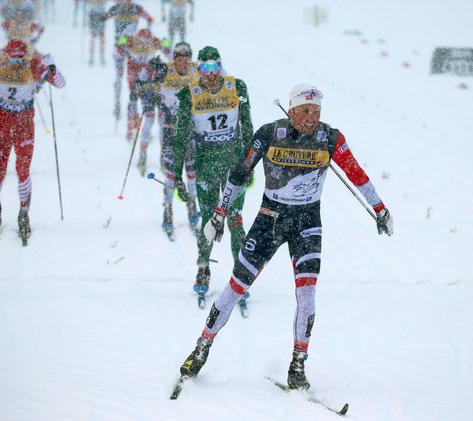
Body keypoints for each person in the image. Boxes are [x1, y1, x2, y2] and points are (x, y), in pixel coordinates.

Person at [177, 84, 394, 389]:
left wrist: (380, 210)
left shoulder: (330, 138)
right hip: (271, 219)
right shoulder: (269, 134)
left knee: (307, 293)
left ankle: (297, 366)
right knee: (236, 287)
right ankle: (201, 349)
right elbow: (240, 173)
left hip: (307, 223)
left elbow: (356, 173)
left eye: (316, 112)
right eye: (304, 111)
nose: (310, 118)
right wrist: (219, 213)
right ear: (291, 111)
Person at [0, 39, 66, 245]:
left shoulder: (33, 65)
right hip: (3, 125)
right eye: (12, 61)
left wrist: (52, 68)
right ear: (5, 56)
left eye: (20, 61)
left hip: (23, 126)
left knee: (23, 169)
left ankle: (23, 213)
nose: (16, 65)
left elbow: (61, 84)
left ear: (25, 57)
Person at [172, 46, 253, 303]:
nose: (210, 74)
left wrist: (250, 164)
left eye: (214, 67)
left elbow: (248, 126)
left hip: (234, 164)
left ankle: (239, 277)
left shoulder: (237, 87)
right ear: (198, 69)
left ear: (221, 66)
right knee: (209, 218)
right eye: (204, 69)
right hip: (207, 165)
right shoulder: (189, 94)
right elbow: (180, 137)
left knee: (235, 218)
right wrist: (176, 175)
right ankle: (203, 268)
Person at [157, 41, 199, 240]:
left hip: (190, 131)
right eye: (179, 58)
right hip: (170, 130)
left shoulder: (197, 70)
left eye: (186, 58)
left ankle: (192, 206)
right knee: (171, 173)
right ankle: (167, 210)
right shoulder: (165, 70)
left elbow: (220, 74)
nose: (182, 62)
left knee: (192, 173)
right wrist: (153, 77)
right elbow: (147, 85)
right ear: (174, 59)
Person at [104, 0, 154, 120]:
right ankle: (117, 102)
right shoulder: (116, 8)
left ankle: (134, 103)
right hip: (120, 46)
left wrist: (148, 35)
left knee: (135, 77)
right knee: (119, 75)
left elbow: (150, 19)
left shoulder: (137, 8)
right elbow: (103, 18)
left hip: (133, 47)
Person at [124, 28, 169, 141]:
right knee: (133, 98)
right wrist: (122, 41)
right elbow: (119, 46)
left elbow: (168, 51)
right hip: (133, 70)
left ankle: (138, 125)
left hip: (148, 73)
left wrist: (166, 43)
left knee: (145, 99)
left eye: (146, 40)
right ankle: (131, 125)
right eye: (141, 40)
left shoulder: (154, 40)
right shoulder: (132, 39)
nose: (143, 43)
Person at [129, 56, 168, 176]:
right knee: (148, 123)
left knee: (163, 126)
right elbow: (134, 93)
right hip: (149, 98)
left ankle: (164, 159)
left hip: (161, 99)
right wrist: (134, 113)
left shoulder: (165, 71)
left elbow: (170, 88)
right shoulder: (144, 73)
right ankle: (142, 157)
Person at [87, 0, 108, 66]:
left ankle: (101, 56)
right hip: (93, 14)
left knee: (101, 36)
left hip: (101, 14)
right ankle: (92, 56)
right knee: (93, 36)